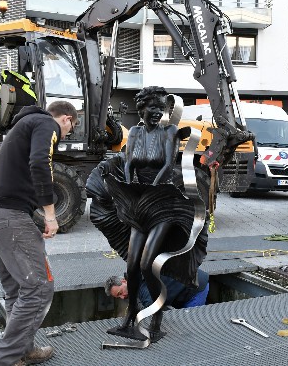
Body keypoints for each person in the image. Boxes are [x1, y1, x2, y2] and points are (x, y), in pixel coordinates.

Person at [85, 86, 209, 342]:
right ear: (141, 109)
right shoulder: (136, 133)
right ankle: (130, 319)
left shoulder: (170, 131)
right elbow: (129, 163)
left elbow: (166, 165)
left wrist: (148, 192)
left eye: (161, 108)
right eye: (152, 108)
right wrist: (129, 189)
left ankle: (157, 318)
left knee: (148, 264)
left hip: (162, 203)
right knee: (131, 266)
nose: (156, 113)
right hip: (137, 202)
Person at [0, 101, 78, 366]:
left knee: (16, 288)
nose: (65, 135)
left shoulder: (23, 125)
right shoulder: (46, 123)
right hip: (11, 217)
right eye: (69, 129)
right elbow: (40, 162)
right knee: (38, 287)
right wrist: (50, 214)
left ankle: (22, 351)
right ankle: (3, 360)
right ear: (67, 119)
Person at [105, 269, 209, 310]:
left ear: (124, 281)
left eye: (120, 293)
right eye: (118, 297)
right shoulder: (134, 276)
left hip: (195, 288)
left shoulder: (141, 285)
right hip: (185, 283)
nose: (122, 297)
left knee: (191, 324)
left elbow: (153, 308)